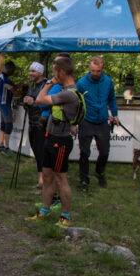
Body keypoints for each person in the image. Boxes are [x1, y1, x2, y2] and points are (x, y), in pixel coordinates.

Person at [30, 55, 80, 226]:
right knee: (47, 176)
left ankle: (65, 216)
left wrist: (50, 83)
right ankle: (45, 211)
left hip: (61, 141)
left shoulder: (69, 94)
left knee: (61, 178)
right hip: (50, 138)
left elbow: (39, 99)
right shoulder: (64, 91)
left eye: (55, 72)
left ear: (62, 72)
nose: (54, 76)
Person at [75, 55, 120, 191]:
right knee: (84, 152)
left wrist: (115, 114)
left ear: (103, 68)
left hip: (102, 122)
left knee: (105, 151)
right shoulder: (81, 83)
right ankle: (84, 180)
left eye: (97, 71)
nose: (94, 73)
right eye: (92, 71)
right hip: (87, 121)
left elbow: (112, 99)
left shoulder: (108, 82)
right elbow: (76, 102)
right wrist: (74, 122)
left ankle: (99, 172)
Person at [22, 61, 52, 189]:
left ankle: (45, 182)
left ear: (40, 72)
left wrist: (32, 102)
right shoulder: (32, 86)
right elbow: (29, 101)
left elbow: (48, 104)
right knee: (37, 152)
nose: (30, 74)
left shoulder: (47, 85)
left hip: (42, 124)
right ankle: (41, 180)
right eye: (30, 71)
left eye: (33, 71)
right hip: (32, 123)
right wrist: (25, 101)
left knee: (42, 153)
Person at [0, 60, 17, 153]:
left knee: (3, 124)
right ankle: (6, 147)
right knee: (8, 124)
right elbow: (15, 92)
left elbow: (13, 86)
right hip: (5, 104)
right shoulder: (5, 80)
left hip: (1, 103)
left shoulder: (0, 77)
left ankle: (1, 146)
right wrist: (23, 92)